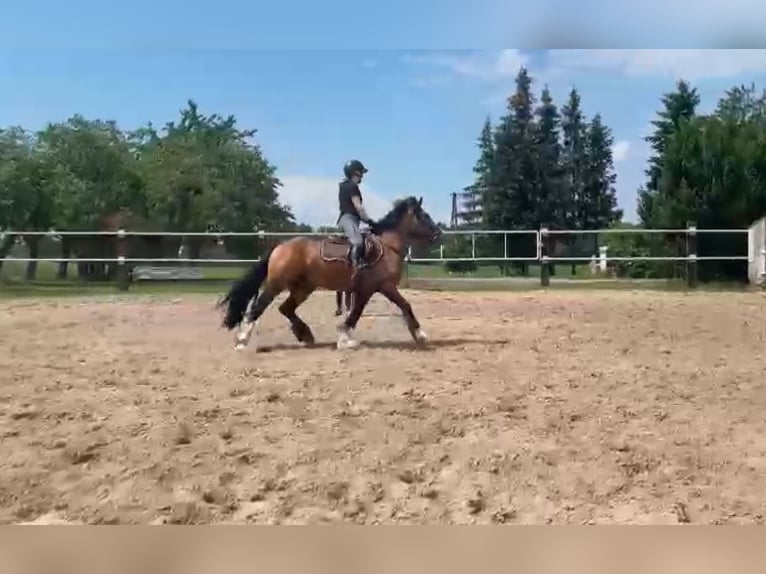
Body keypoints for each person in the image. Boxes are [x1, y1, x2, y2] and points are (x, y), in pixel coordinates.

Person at [337, 159, 375, 274]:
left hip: (352, 220)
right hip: (348, 219)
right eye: (361, 173)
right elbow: (358, 207)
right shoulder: (352, 186)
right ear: (355, 173)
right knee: (357, 241)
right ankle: (355, 266)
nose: (362, 176)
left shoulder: (345, 185)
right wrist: (370, 221)